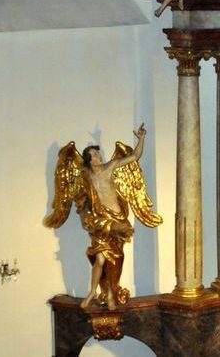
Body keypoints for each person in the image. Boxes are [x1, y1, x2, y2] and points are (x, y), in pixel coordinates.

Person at [45, 125, 160, 311]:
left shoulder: (110, 167)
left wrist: (142, 138)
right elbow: (82, 200)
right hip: (100, 223)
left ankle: (112, 294)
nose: (99, 157)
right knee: (99, 260)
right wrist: (87, 216)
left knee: (116, 258)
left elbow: (134, 157)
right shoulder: (86, 177)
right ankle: (93, 292)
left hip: (117, 221)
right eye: (94, 155)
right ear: (89, 160)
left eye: (98, 155)